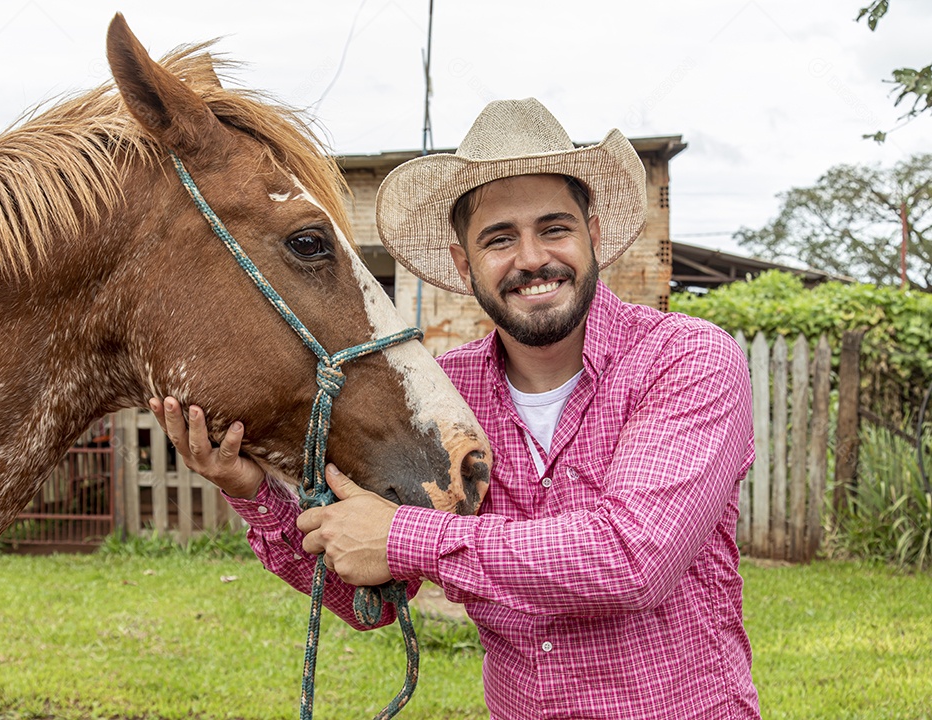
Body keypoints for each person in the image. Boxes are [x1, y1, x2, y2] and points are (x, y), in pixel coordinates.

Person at [151, 97, 760, 719]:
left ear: (593, 236)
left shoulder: (685, 359)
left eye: (554, 228)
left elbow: (633, 560)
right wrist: (251, 490)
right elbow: (374, 598)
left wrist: (402, 537)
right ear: (464, 264)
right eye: (500, 239)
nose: (530, 259)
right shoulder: (442, 397)